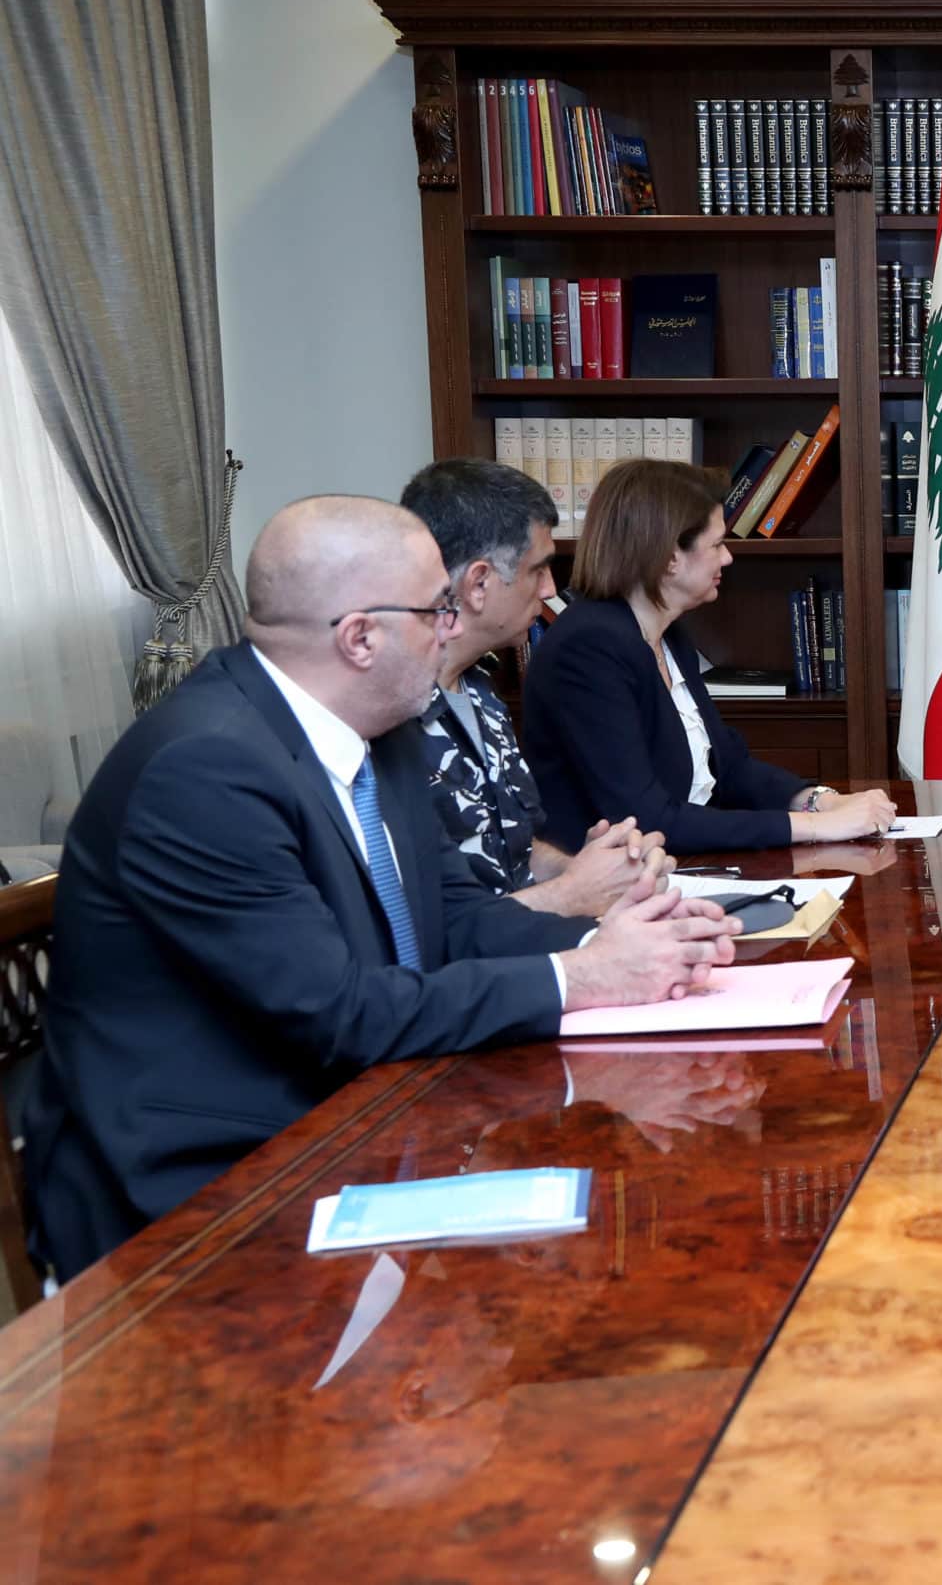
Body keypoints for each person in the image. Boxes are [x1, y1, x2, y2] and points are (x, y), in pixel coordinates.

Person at [21, 496, 743, 1277]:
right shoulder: (204, 770)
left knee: (612, 1228)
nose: (453, 626)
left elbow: (455, 919)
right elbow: (338, 1014)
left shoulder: (379, 733)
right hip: (208, 1193)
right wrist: (585, 976)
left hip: (367, 1127)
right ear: (358, 636)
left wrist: (626, 938)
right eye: (436, 608)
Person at [519, 460, 895, 854]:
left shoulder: (666, 634)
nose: (728, 558)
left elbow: (728, 768)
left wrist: (822, 799)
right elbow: (648, 820)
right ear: (668, 557)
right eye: (716, 544)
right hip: (608, 891)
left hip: (681, 869)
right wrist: (817, 826)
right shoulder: (588, 649)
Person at [399, 459, 669, 915]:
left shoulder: (483, 692)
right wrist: (572, 894)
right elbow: (424, 927)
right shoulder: (389, 717)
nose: (550, 589)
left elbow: (516, 851)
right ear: (479, 583)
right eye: (538, 569)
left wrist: (588, 869)